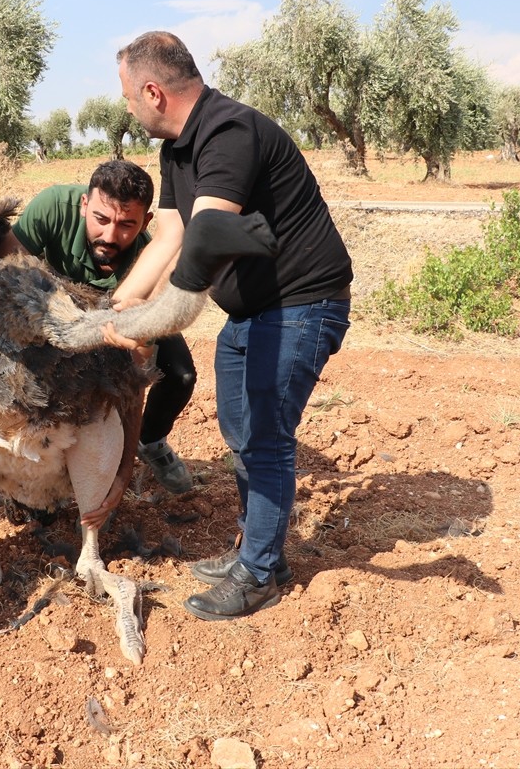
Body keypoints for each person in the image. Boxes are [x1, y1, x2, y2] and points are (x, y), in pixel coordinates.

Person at [111, 32, 353, 621]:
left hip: (300, 304)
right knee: (241, 430)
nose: (125, 107)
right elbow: (169, 235)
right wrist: (122, 302)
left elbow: (208, 239)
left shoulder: (229, 133)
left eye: (126, 96)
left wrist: (155, 318)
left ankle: (262, 573)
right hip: (251, 311)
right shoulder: (176, 150)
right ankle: (257, 548)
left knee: (265, 436)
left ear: (153, 91)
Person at [0, 160, 196, 503]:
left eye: (126, 225)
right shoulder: (52, 207)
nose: (109, 236)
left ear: (146, 222)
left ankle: (149, 442)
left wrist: (121, 476)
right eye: (101, 219)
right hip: (54, 313)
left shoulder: (149, 263)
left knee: (179, 376)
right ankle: (13, 466)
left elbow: (139, 373)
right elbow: (4, 273)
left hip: (118, 320)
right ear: (84, 205)